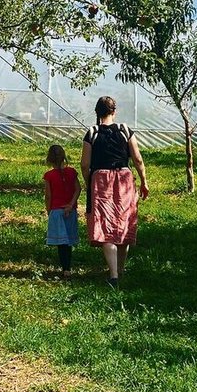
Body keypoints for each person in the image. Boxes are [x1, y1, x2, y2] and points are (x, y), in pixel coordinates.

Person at [81, 96, 148, 287]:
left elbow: (85, 164)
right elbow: (137, 159)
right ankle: (121, 268)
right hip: (124, 178)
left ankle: (113, 275)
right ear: (114, 111)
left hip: (101, 180)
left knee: (105, 224)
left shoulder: (92, 133)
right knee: (123, 222)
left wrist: (89, 183)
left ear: (97, 112)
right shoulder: (125, 130)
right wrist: (143, 181)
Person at [43, 144, 80, 273]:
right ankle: (68, 268)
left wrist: (49, 210)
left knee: (61, 243)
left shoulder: (49, 175)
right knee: (68, 241)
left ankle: (65, 268)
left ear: (49, 159)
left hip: (56, 211)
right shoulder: (72, 172)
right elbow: (78, 189)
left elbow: (48, 195)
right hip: (70, 210)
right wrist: (71, 204)